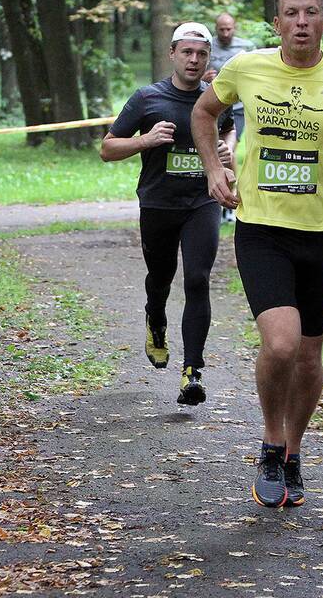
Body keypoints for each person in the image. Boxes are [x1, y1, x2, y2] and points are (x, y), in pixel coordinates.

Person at [190, 0, 323, 507]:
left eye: (311, 13)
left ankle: (295, 452)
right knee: (280, 343)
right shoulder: (246, 69)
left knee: (308, 356)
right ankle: (271, 446)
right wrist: (214, 169)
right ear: (276, 24)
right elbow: (204, 112)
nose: (301, 22)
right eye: (291, 14)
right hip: (262, 229)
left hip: (319, 233)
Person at [101, 22, 234, 406]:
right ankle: (155, 317)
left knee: (198, 278)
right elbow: (107, 148)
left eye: (202, 54)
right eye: (187, 52)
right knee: (161, 277)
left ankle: (192, 371)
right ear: (172, 54)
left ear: (209, 58)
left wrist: (225, 159)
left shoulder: (215, 98)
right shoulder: (147, 98)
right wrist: (145, 139)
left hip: (201, 203)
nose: (194, 60)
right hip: (159, 203)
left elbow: (225, 133)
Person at [202, 13, 255, 223]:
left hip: (238, 108)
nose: (225, 33)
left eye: (229, 29)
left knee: (228, 152)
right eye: (221, 29)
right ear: (216, 28)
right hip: (213, 106)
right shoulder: (208, 47)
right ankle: (217, 200)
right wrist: (204, 78)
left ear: (235, 27)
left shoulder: (246, 47)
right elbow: (193, 72)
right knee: (216, 152)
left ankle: (229, 204)